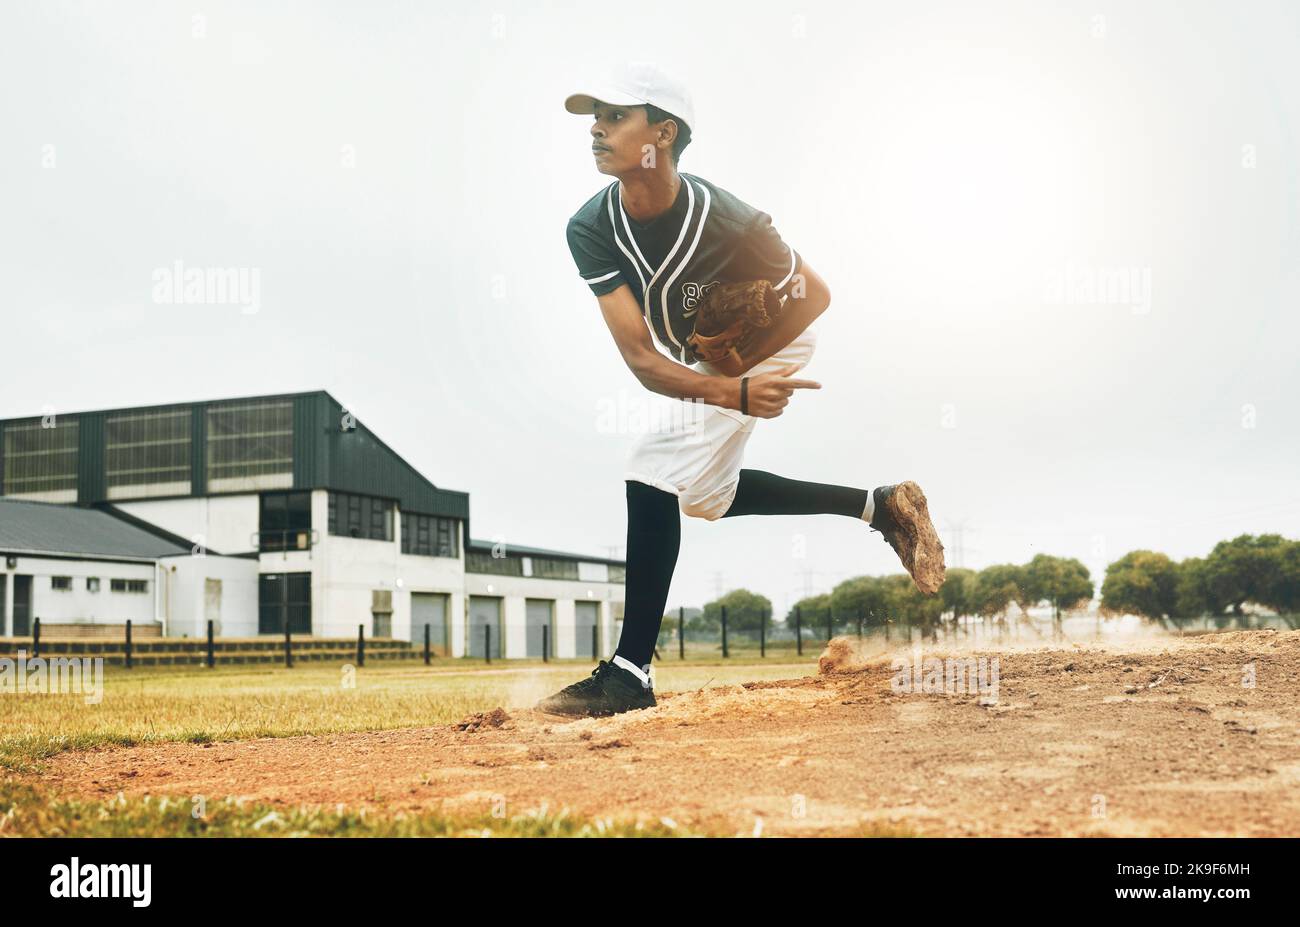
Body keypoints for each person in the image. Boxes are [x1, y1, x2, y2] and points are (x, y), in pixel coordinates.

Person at [538, 62, 944, 717]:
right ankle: (880, 505)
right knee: (703, 494)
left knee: (652, 464)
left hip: (776, 346)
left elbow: (816, 294)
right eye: (595, 115)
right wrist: (726, 383)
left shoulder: (734, 222)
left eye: (615, 115)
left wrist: (742, 369)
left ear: (662, 133)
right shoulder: (590, 227)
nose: (596, 127)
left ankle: (628, 673)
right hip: (712, 367)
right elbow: (642, 358)